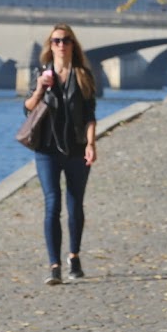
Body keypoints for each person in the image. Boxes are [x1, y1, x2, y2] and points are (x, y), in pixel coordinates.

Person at [23, 23, 98, 286]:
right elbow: (27, 109)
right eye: (56, 41)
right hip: (47, 149)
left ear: (73, 45)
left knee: (75, 205)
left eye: (66, 40)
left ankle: (74, 257)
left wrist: (91, 144)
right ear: (50, 45)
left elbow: (90, 115)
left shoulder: (83, 75)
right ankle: (54, 265)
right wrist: (40, 88)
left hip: (77, 148)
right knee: (52, 204)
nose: (61, 45)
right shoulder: (41, 74)